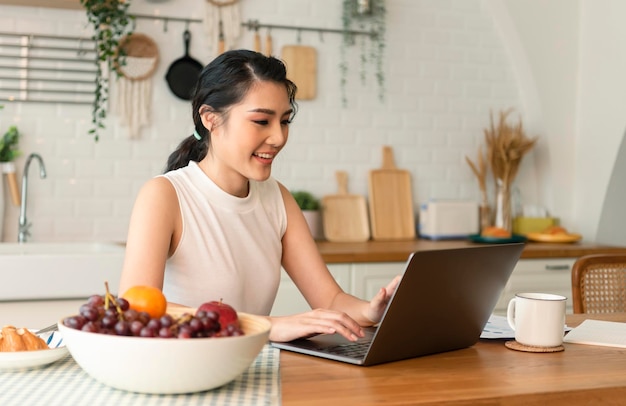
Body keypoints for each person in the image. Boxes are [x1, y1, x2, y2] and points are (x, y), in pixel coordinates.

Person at [119, 49, 400, 343]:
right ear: (210, 119)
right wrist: (266, 326)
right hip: (182, 372)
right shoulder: (165, 195)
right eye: (262, 122)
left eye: (285, 121)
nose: (278, 137)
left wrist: (371, 311)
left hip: (253, 372)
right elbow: (136, 309)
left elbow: (330, 300)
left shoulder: (277, 198)